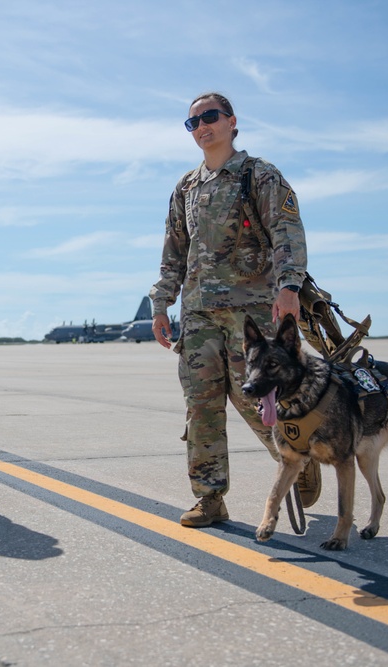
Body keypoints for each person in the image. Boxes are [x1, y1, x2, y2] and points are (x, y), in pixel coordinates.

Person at [150, 92, 320, 527]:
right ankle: (209, 498)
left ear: (231, 122)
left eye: (210, 117)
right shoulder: (186, 187)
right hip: (199, 316)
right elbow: (174, 251)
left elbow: (287, 231)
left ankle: (298, 458)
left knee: (261, 402)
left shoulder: (258, 175)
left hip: (254, 315)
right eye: (193, 123)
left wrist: (289, 288)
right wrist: (161, 302)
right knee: (201, 405)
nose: (202, 127)